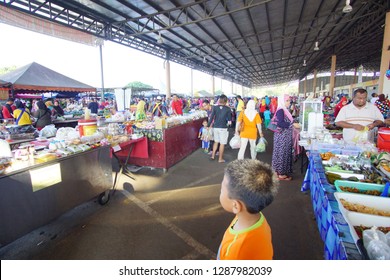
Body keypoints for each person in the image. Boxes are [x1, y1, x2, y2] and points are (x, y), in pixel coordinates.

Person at [217, 159, 279, 260]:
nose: (220, 192)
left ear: (236, 206)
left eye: (221, 190)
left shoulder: (234, 252)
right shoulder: (258, 219)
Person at [271, 94, 293, 181]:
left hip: (283, 136)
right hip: (282, 137)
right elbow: (280, 123)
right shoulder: (281, 110)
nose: (289, 103)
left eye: (289, 101)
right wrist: (291, 124)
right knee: (282, 154)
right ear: (282, 101)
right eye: (287, 101)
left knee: (280, 153)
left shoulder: (283, 110)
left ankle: (277, 172)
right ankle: (281, 174)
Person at [208, 94, 232, 163]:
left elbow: (211, 117)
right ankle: (220, 159)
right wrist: (229, 125)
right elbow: (229, 120)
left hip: (216, 127)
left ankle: (212, 156)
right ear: (225, 101)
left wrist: (208, 125)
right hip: (223, 128)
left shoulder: (215, 108)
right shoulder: (228, 109)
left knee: (216, 142)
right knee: (222, 143)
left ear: (219, 100)